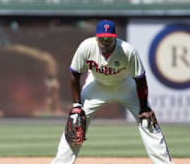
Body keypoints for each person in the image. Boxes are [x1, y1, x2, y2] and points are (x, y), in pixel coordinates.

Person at [51, 20, 173, 164]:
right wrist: (77, 105)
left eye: (109, 38)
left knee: (147, 121)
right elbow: (74, 74)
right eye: (102, 38)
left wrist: (144, 107)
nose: (106, 41)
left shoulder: (127, 50)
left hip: (125, 85)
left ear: (115, 37)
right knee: (76, 122)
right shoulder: (86, 47)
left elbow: (140, 79)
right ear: (96, 37)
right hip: (97, 86)